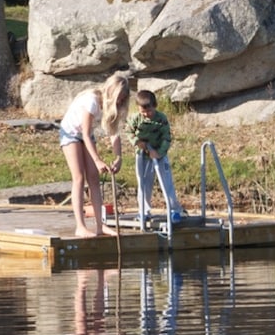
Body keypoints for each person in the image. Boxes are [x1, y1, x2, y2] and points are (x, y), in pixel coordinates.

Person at [60, 74, 130, 238]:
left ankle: (100, 225)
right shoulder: (92, 100)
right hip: (70, 133)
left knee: (94, 179)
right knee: (79, 177)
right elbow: (84, 134)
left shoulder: (115, 107)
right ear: (111, 92)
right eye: (118, 98)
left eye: (123, 100)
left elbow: (114, 134)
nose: (120, 102)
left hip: (86, 135)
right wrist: (97, 160)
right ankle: (80, 226)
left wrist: (118, 157)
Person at [127, 89, 184, 229]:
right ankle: (144, 211)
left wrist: (159, 153)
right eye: (143, 112)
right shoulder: (135, 118)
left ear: (155, 106)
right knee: (143, 183)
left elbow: (167, 138)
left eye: (149, 111)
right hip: (142, 156)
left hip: (159, 155)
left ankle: (174, 210)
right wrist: (137, 142)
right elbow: (128, 131)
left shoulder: (161, 118)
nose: (147, 114)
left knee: (166, 182)